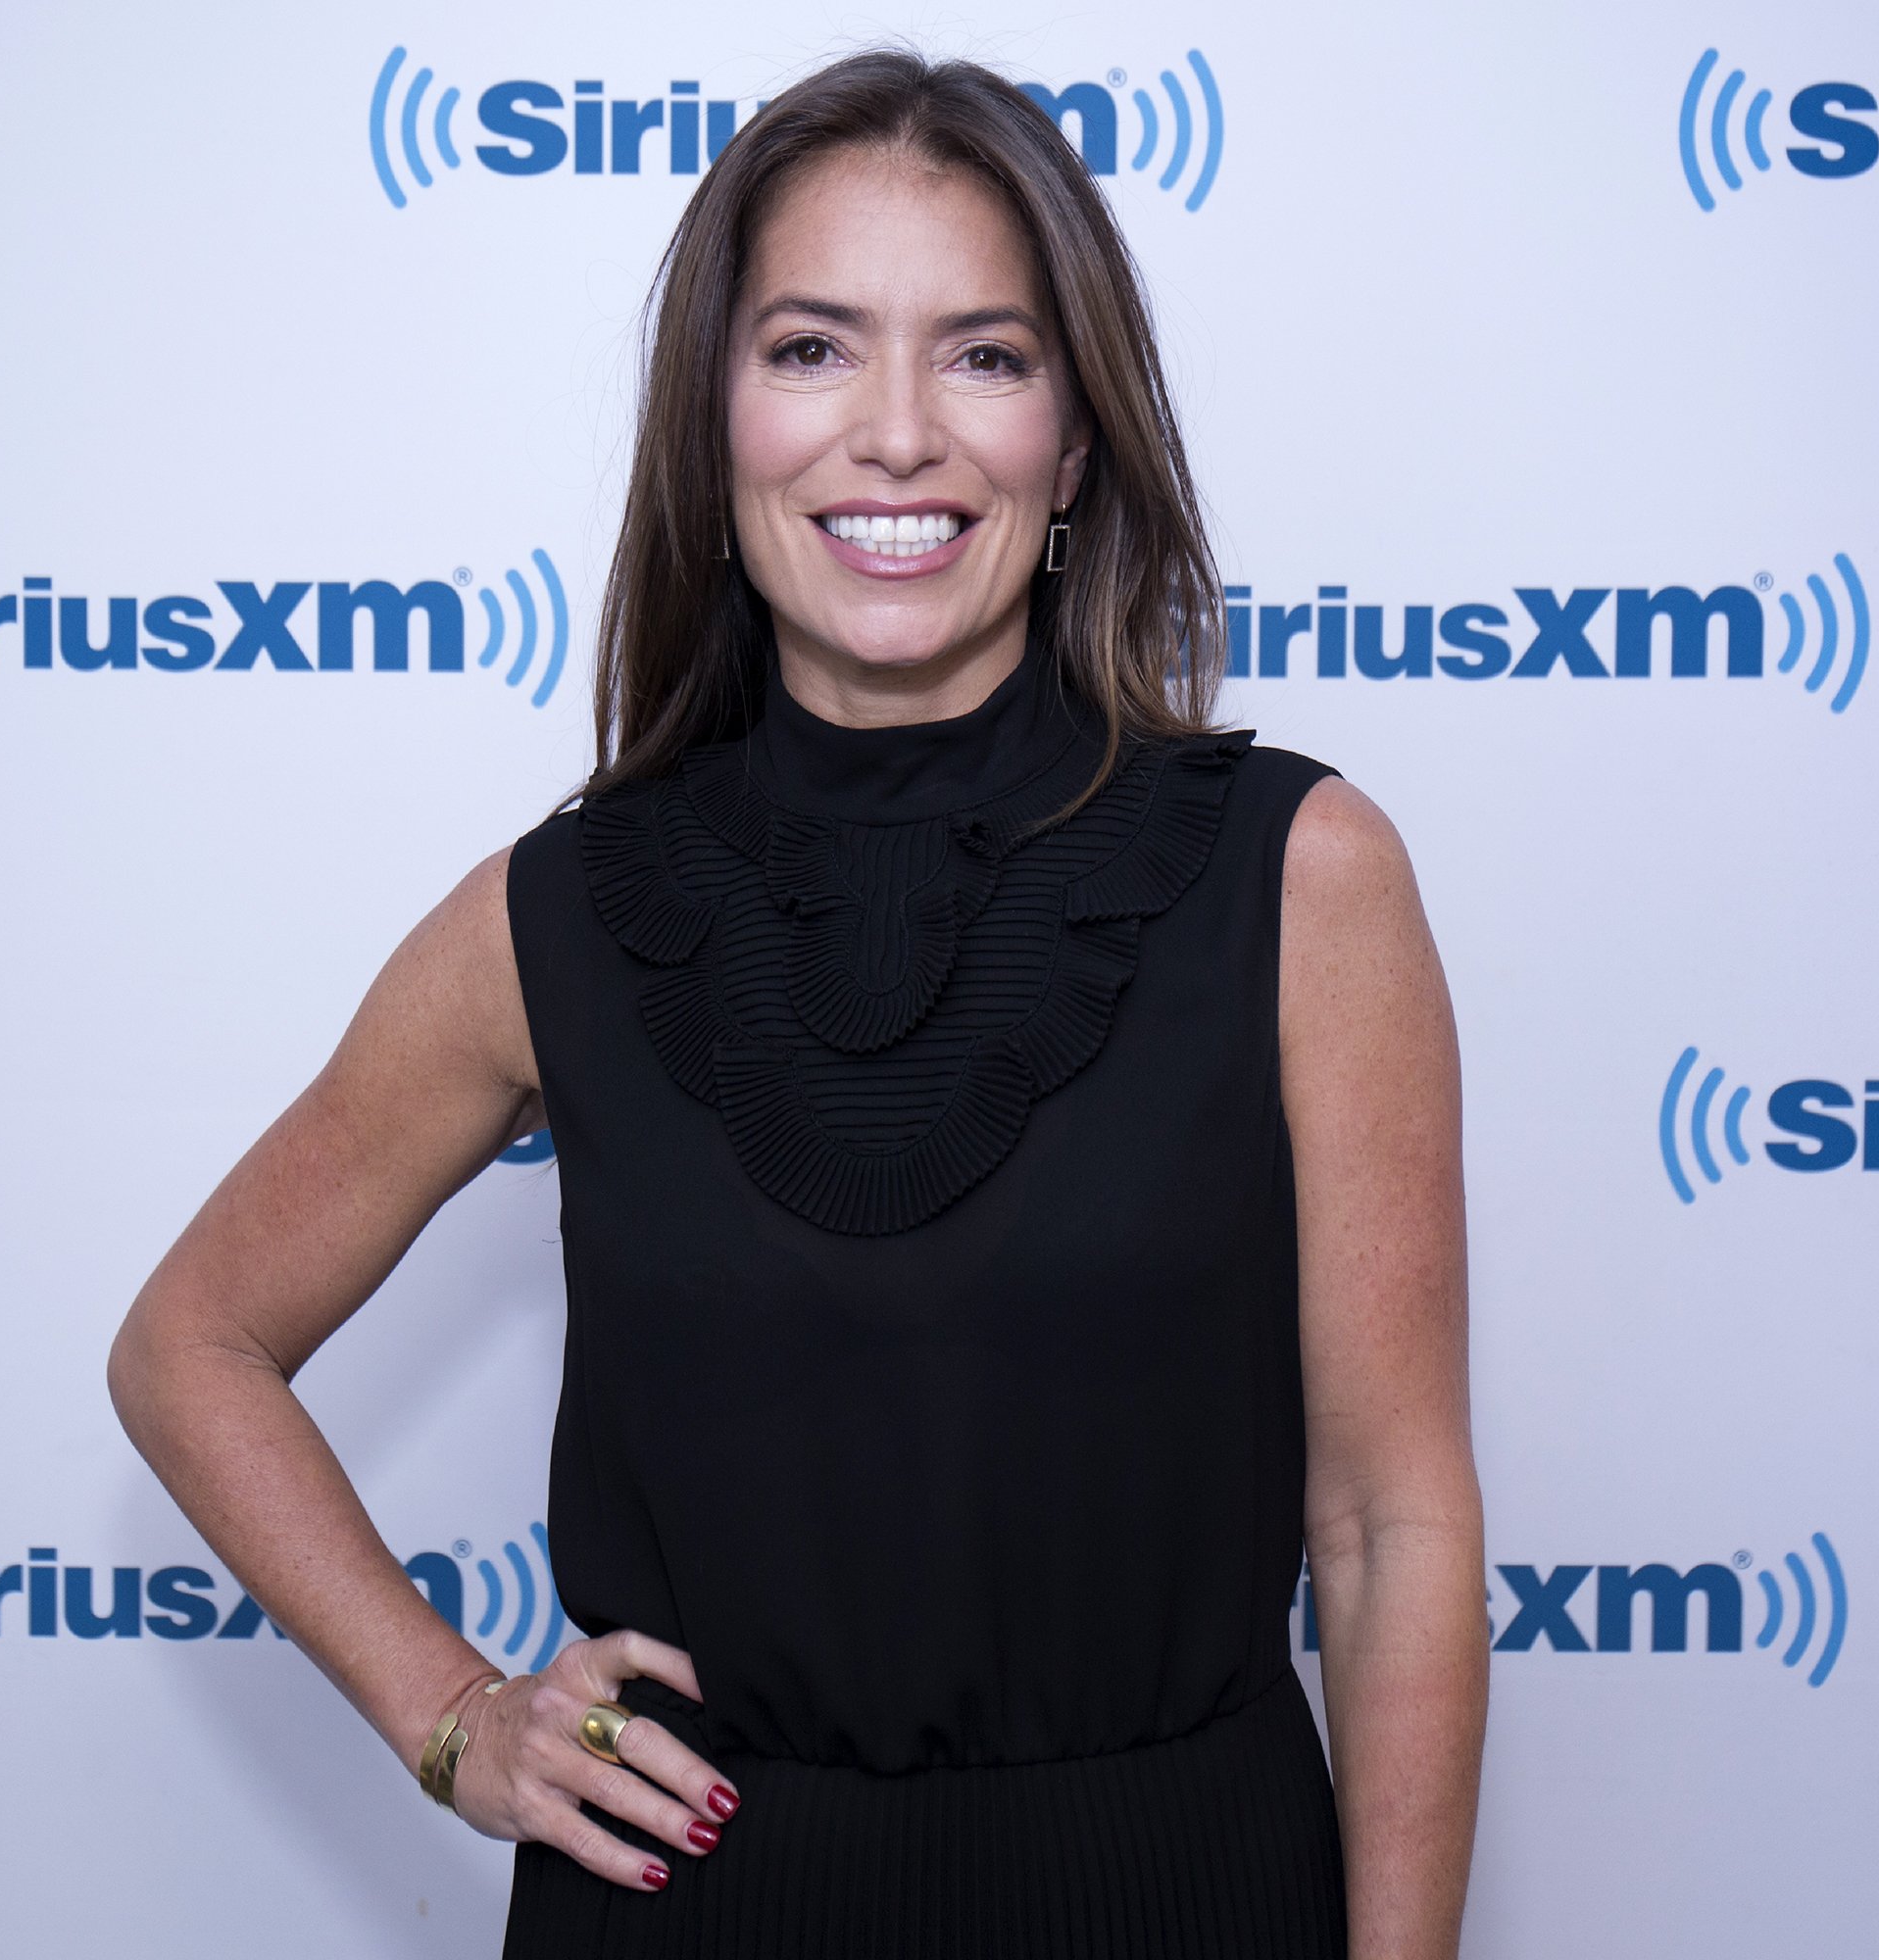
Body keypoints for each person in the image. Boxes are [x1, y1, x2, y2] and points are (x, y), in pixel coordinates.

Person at [110, 49, 1485, 1958]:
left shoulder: (1304, 876)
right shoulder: (563, 912)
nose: (899, 433)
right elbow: (192, 1341)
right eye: (816, 349)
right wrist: (455, 1719)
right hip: (693, 1904)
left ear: (1074, 441)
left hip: (1184, 1893)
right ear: (716, 420)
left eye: (987, 356)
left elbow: (1389, 1519)